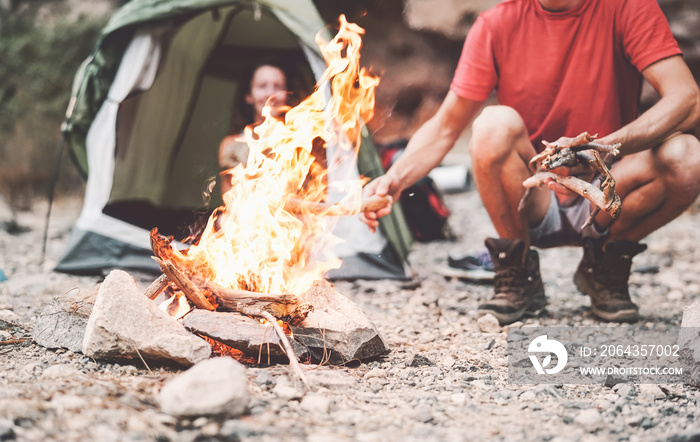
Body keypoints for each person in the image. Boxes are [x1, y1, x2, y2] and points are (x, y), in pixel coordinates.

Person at [361, 0, 700, 325]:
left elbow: (687, 98)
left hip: (610, 193)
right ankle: (517, 271)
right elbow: (447, 125)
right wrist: (395, 178)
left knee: (687, 156)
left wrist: (601, 147)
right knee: (492, 123)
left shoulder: (628, 7)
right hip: (534, 192)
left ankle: (606, 263)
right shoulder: (496, 24)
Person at [219, 60, 290, 194]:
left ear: (286, 94)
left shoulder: (301, 141)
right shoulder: (232, 145)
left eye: (278, 86)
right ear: (248, 96)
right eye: (262, 86)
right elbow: (229, 198)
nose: (271, 94)